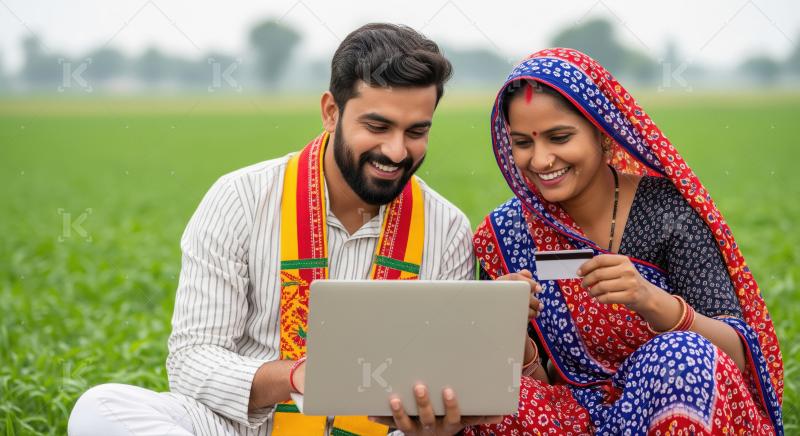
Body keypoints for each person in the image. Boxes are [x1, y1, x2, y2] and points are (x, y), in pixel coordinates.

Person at [68, 23, 492, 436]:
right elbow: (192, 360)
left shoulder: (447, 227)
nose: (397, 151)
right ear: (331, 112)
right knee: (100, 409)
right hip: (240, 429)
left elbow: (438, 382)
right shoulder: (241, 198)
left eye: (416, 131)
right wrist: (298, 375)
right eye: (377, 127)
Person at [470, 48, 784, 434]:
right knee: (489, 398)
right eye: (523, 142)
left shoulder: (666, 212)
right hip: (572, 418)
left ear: (603, 133)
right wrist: (511, 332)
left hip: (669, 405)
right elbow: (538, 390)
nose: (541, 160)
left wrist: (650, 300)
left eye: (559, 137)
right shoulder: (506, 234)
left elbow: (736, 358)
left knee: (685, 358)